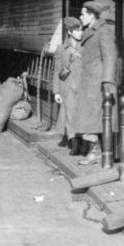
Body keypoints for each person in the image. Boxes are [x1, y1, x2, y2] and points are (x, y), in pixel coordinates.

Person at [72, 1, 118, 165]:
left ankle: (97, 152)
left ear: (92, 15)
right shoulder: (90, 31)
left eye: (83, 14)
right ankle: (95, 150)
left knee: (93, 119)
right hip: (89, 82)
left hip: (97, 83)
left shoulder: (103, 31)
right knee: (88, 119)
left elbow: (110, 57)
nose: (80, 16)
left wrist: (107, 81)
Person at [52, 17, 83, 154]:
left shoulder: (86, 47)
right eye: (77, 30)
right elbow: (57, 71)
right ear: (70, 31)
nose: (81, 33)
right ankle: (74, 141)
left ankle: (82, 141)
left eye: (81, 30)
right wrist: (56, 92)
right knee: (70, 114)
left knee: (80, 114)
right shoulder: (61, 49)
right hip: (68, 87)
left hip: (82, 86)